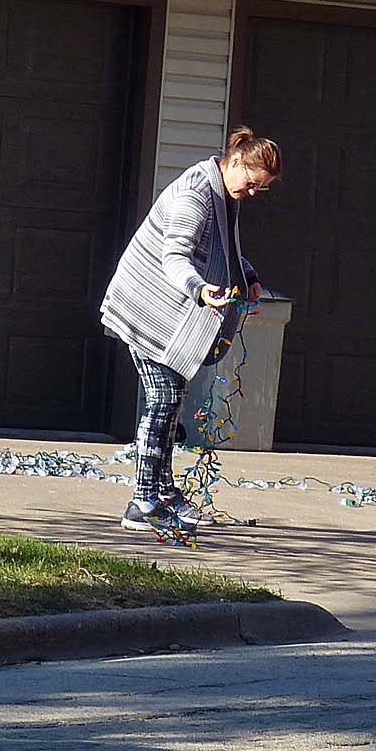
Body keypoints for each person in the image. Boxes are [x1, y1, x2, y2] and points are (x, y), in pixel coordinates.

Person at [99, 128, 280, 532]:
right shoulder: (197, 192)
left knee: (171, 399)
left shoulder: (225, 195)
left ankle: (163, 493)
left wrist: (246, 274)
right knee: (162, 400)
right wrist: (199, 289)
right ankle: (141, 503)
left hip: (174, 314)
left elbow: (224, 246)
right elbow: (175, 253)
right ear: (235, 161)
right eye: (251, 184)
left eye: (261, 190)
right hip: (147, 307)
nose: (252, 193)